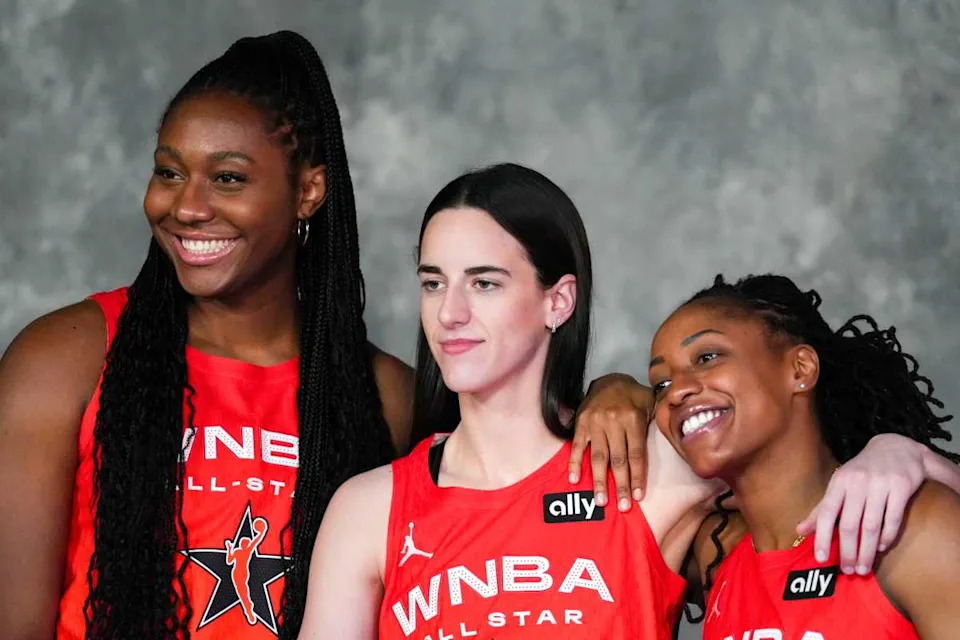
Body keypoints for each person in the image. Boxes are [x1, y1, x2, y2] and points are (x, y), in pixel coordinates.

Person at [0, 31, 670, 640]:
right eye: (169, 172)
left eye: (228, 178)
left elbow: (510, 474)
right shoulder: (67, 358)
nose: (187, 206)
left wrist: (614, 393)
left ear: (309, 191)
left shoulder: (384, 395)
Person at [297, 165, 950, 639]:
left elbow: (793, 458)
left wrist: (900, 454)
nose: (450, 313)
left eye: (485, 283)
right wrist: (616, 389)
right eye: (433, 283)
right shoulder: (369, 509)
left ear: (559, 301)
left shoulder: (650, 466)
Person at [648, 274, 960, 639]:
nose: (676, 392)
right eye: (660, 385)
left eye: (707, 357)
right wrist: (611, 389)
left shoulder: (911, 527)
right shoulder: (715, 555)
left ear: (800, 369)